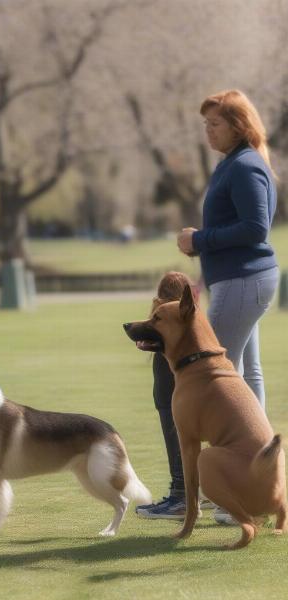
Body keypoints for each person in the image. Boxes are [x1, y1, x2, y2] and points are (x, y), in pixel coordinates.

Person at [177, 89, 279, 524]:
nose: (207, 131)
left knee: (221, 379)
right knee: (245, 376)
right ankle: (260, 479)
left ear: (239, 126)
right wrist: (205, 271)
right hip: (234, 280)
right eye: (205, 124)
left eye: (214, 123)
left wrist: (198, 240)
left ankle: (237, 491)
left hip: (245, 281)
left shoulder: (246, 165)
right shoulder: (233, 163)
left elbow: (256, 228)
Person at [135, 272, 203, 520]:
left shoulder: (168, 318)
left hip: (171, 391)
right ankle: (194, 494)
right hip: (191, 388)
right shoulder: (195, 320)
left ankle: (180, 496)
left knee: (174, 432)